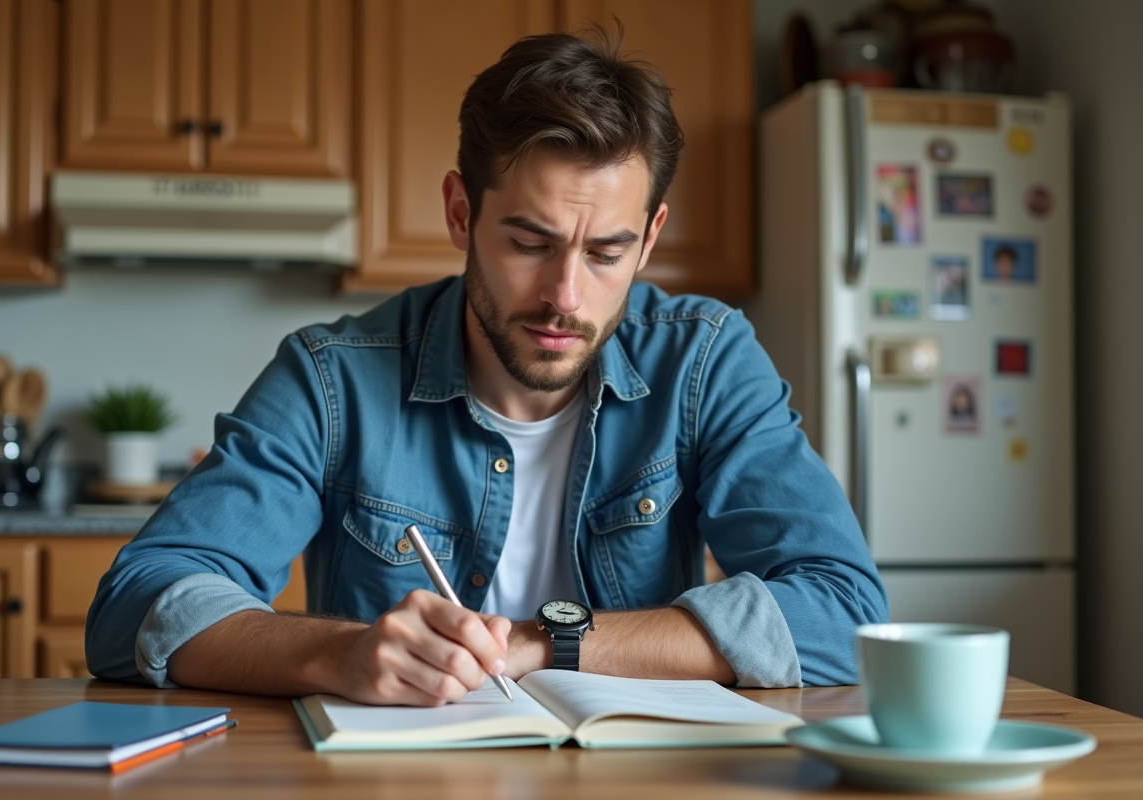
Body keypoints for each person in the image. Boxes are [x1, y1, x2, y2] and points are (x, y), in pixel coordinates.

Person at [86, 26, 887, 706]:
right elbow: (136, 604)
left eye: (607, 253)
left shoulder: (704, 360)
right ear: (461, 212)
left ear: (648, 239)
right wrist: (336, 653)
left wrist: (546, 643)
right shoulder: (331, 380)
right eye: (530, 243)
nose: (564, 297)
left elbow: (843, 610)